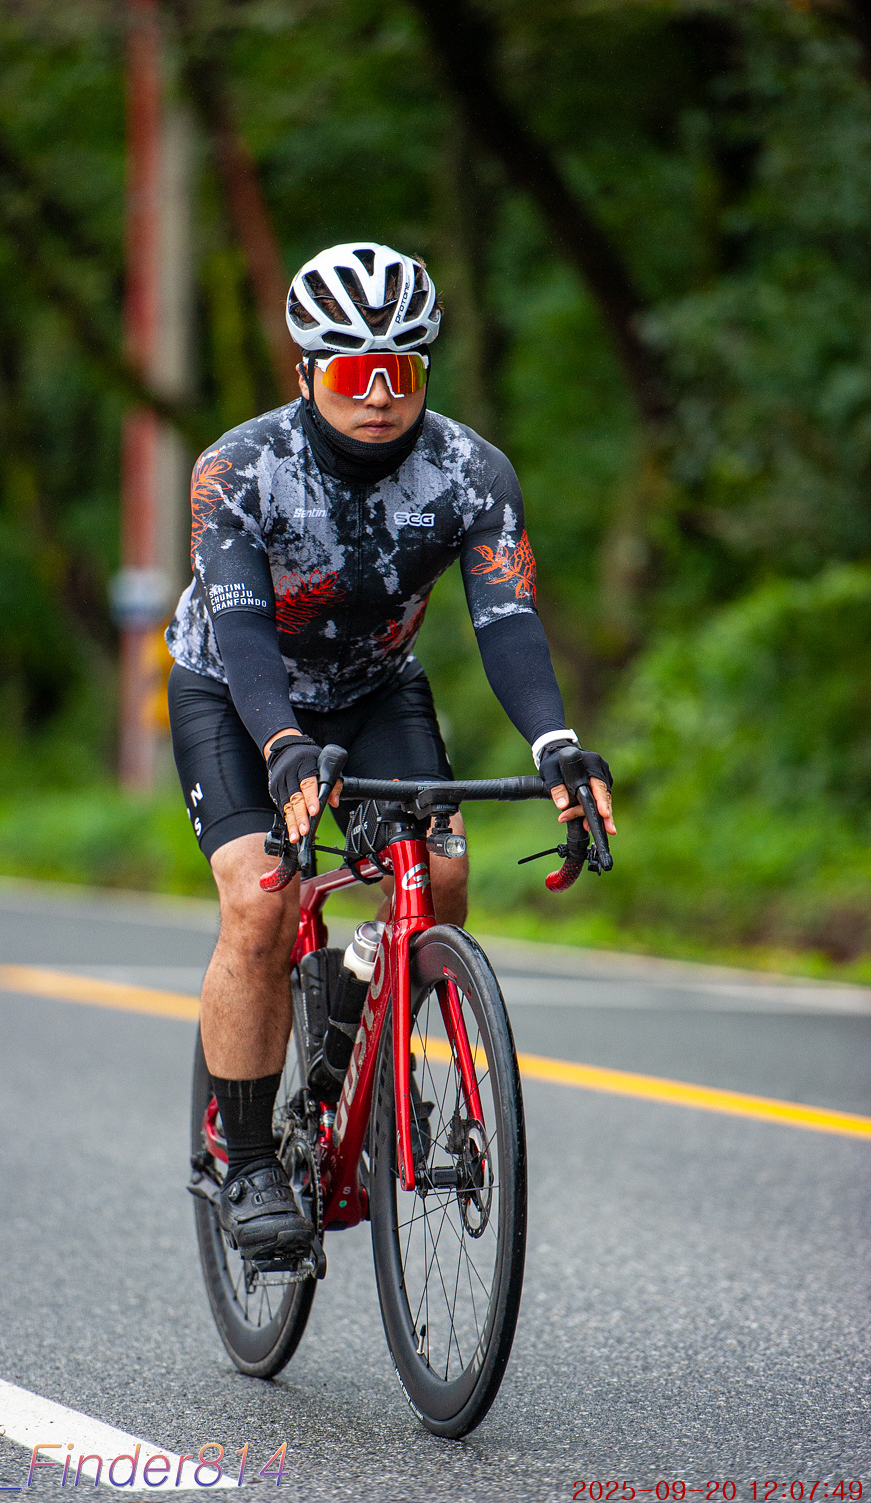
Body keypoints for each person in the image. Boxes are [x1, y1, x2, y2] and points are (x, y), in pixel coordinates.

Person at [166, 241, 614, 1266]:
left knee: (440, 882)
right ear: (306, 374)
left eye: (401, 370)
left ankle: (360, 994)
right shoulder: (238, 468)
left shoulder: (470, 471)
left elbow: (508, 620)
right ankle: (248, 1162)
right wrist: (283, 744)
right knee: (260, 902)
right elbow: (240, 628)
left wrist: (556, 744)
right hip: (235, 692)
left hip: (372, 691)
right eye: (353, 371)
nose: (378, 395)